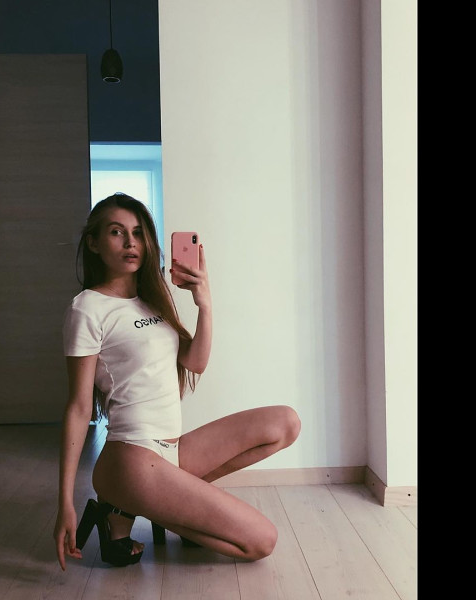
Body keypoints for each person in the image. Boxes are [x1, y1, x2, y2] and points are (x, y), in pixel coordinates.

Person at [53, 192, 301, 569]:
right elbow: (78, 406)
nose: (131, 242)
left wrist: (205, 302)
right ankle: (135, 503)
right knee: (261, 541)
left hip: (173, 451)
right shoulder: (87, 307)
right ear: (94, 243)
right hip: (131, 458)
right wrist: (65, 503)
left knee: (285, 422)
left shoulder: (152, 298)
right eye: (117, 232)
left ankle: (124, 509)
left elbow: (195, 362)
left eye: (138, 232)